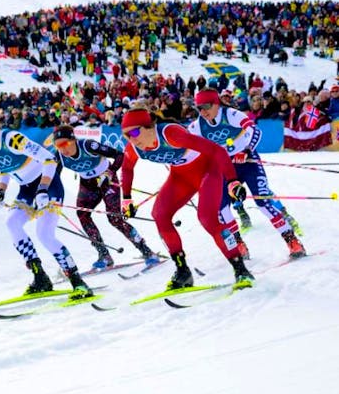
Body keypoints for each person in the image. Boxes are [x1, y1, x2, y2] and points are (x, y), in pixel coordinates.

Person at [119, 107, 254, 290]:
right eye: (126, 136)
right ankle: (183, 271)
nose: (132, 139)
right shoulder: (134, 147)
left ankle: (241, 269)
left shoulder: (171, 134)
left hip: (207, 171)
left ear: (149, 125)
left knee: (207, 219)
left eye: (135, 132)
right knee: (160, 214)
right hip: (181, 177)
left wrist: (232, 181)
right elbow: (127, 168)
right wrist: (126, 198)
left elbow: (217, 151)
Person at [0, 110, 92, 299]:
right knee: (12, 223)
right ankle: (40, 277)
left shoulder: (13, 139)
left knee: (44, 234)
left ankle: (78, 283)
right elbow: (3, 169)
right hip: (26, 189)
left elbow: (50, 159)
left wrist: (42, 189)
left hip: (48, 185)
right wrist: (1, 190)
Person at [188, 89, 306, 259]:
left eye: (206, 106)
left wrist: (246, 150)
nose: (203, 112)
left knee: (263, 202)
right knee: (221, 207)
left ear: (216, 104)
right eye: (199, 108)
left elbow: (255, 131)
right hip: (225, 168)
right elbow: (189, 147)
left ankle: (292, 240)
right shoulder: (197, 126)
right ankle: (238, 243)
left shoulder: (230, 114)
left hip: (247, 163)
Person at [52, 124, 160, 269]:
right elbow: (54, 178)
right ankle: (104, 254)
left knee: (115, 219)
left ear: (73, 139)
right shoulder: (59, 156)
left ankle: (146, 251)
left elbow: (119, 155)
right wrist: (50, 197)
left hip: (107, 181)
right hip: (88, 184)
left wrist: (110, 172)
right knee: (82, 214)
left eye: (65, 143)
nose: (63, 149)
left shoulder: (89, 145)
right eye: (58, 145)